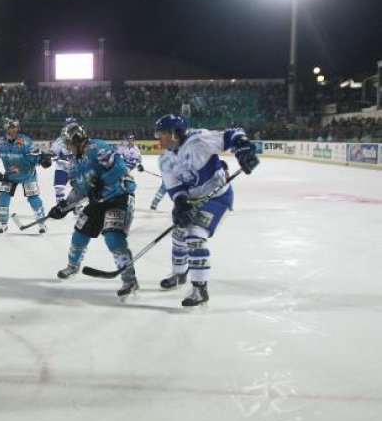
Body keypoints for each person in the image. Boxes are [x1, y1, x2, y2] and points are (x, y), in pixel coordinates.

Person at [153, 114, 260, 307]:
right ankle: (179, 274)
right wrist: (180, 203)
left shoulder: (199, 141)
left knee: (195, 235)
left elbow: (233, 134)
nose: (158, 139)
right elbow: (175, 188)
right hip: (194, 201)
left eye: (162, 134)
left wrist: (243, 150)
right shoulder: (165, 160)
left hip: (217, 198)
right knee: (178, 233)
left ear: (174, 133)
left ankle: (199, 288)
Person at [47, 122, 140, 300]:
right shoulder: (74, 163)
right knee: (80, 233)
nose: (67, 147)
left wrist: (102, 182)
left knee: (113, 237)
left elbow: (120, 168)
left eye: (68, 143)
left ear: (77, 141)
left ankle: (130, 281)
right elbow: (79, 190)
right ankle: (73, 267)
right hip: (98, 201)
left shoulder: (98, 147)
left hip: (119, 197)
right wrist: (63, 206)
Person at [0, 118, 52, 234]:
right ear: (6, 128)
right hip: (10, 176)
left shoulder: (25, 141)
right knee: (3, 198)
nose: (15, 129)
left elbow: (36, 154)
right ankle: (3, 224)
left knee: (33, 198)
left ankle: (41, 223)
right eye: (12, 127)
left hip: (28, 174)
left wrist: (43, 160)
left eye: (16, 127)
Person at [48, 118, 78, 205]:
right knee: (59, 188)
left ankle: (77, 206)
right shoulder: (60, 140)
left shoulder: (80, 139)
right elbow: (53, 152)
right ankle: (60, 205)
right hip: (62, 167)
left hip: (76, 167)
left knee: (79, 187)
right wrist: (51, 155)